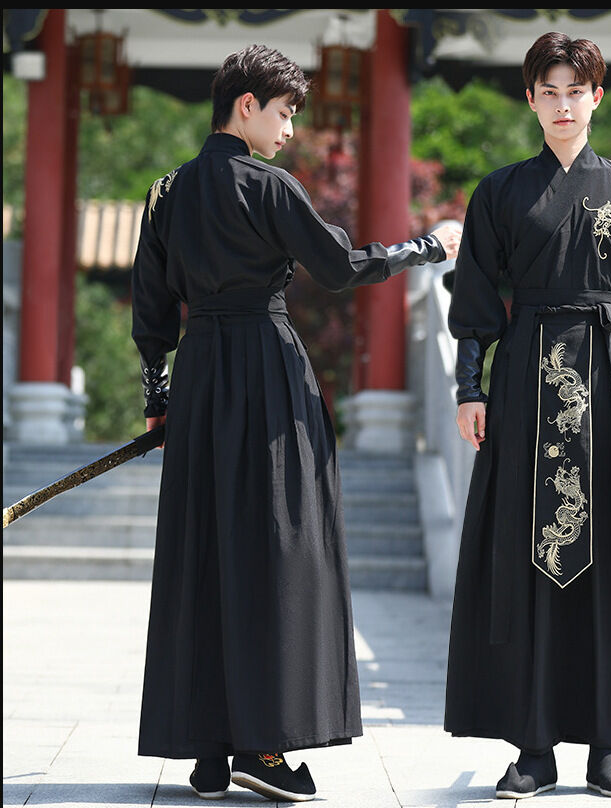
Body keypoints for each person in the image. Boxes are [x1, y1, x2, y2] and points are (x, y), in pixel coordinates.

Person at [130, 44, 461, 803]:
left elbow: (151, 311)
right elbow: (340, 267)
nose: (288, 131)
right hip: (267, 373)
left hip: (201, 377)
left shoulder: (166, 192)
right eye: (282, 114)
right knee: (279, 550)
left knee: (206, 551)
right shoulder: (268, 186)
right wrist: (424, 247)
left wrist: (159, 399)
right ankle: (265, 747)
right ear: (246, 105)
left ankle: (210, 751)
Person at [444, 32, 611, 800]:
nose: (563, 104)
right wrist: (469, 389)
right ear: (530, 100)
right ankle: (534, 748)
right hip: (525, 383)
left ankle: (609, 748)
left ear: (597, 97)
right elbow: (475, 301)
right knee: (525, 558)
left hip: (609, 384)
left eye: (575, 91)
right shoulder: (500, 192)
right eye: (549, 91)